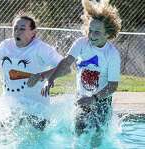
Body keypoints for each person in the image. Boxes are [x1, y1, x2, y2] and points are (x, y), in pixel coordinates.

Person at [27, 0, 121, 147]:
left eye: (97, 32)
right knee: (78, 134)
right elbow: (66, 63)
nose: (92, 35)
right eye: (90, 30)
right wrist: (50, 79)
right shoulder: (81, 43)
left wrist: (94, 98)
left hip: (101, 101)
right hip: (81, 98)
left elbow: (113, 85)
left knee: (97, 139)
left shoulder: (112, 54)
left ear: (108, 33)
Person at [0, 14, 63, 131]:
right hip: (11, 106)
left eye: (22, 29)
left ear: (33, 33)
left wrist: (41, 76)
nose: (17, 32)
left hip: (36, 109)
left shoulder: (40, 48)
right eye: (15, 28)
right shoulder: (6, 46)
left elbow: (65, 67)